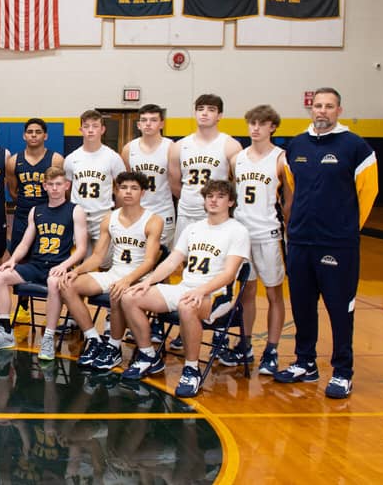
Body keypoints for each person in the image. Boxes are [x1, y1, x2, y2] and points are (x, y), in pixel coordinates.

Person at [276, 87, 378, 399]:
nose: (322, 111)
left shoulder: (356, 147)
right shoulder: (296, 145)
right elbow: (292, 186)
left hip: (338, 244)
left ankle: (343, 371)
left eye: (329, 106)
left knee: (339, 308)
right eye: (318, 105)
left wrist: (345, 230)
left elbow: (368, 193)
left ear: (339, 111)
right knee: (302, 304)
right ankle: (305, 362)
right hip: (300, 241)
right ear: (311, 109)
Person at [120, 180, 250, 398]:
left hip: (217, 294)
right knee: (130, 297)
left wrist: (201, 291)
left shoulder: (238, 231)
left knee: (186, 306)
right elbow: (172, 262)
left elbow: (229, 274)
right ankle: (148, 355)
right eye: (210, 196)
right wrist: (148, 281)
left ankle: (191, 369)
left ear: (230, 202)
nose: (214, 200)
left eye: (220, 196)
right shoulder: (193, 228)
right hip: (186, 288)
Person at [60, 171, 164, 371]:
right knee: (67, 285)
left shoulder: (153, 220)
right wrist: (77, 271)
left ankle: (114, 347)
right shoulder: (110, 218)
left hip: (139, 277)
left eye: (134, 188)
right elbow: (98, 256)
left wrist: (127, 280)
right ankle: (94, 339)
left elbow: (150, 262)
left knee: (118, 292)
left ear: (142, 192)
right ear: (116, 191)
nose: (128, 192)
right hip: (115, 273)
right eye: (124, 187)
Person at [0, 167, 88, 357]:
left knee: (53, 282)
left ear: (66, 185)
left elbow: (82, 248)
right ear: (44, 186)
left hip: (59, 266)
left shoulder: (75, 210)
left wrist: (64, 266)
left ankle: (48, 338)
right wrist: (12, 260)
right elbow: (25, 243)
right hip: (36, 265)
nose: (55, 188)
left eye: (58, 184)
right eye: (51, 184)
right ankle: (5, 332)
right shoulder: (36, 211)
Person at [220, 105, 291, 376]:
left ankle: (271, 350)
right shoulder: (237, 159)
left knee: (273, 294)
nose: (256, 128)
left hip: (269, 235)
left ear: (273, 127)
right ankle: (245, 345)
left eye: (262, 124)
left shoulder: (281, 158)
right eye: (252, 123)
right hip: (242, 235)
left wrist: (288, 229)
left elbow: (289, 200)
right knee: (246, 293)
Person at [6, 117, 65, 323]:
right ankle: (22, 306)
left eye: (38, 132)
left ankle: (52, 309)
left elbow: (61, 188)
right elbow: (13, 190)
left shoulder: (56, 159)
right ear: (24, 135)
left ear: (45, 135)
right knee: (20, 259)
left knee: (49, 258)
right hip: (23, 215)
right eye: (30, 132)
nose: (33, 135)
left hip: (49, 215)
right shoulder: (13, 161)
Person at [168, 94, 242, 244]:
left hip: (215, 214)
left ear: (219, 115)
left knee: (213, 254)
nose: (204, 113)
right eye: (200, 109)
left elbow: (237, 184)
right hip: (186, 213)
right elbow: (174, 184)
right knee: (183, 255)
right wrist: (192, 199)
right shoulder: (179, 146)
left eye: (211, 109)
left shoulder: (231, 145)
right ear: (195, 113)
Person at [65, 110, 126, 247]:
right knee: (80, 256)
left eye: (95, 126)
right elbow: (67, 189)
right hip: (78, 215)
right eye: (86, 126)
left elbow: (122, 188)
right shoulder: (71, 158)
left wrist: (117, 213)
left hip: (103, 215)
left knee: (104, 257)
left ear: (102, 129)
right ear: (81, 130)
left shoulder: (113, 157)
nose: (90, 130)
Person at [121, 104, 176, 246]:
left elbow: (176, 183)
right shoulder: (128, 149)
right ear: (138, 125)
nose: (148, 124)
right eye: (144, 120)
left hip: (163, 210)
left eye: (153, 120)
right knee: (136, 252)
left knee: (161, 254)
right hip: (136, 211)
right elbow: (125, 183)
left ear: (162, 124)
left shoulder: (171, 147)